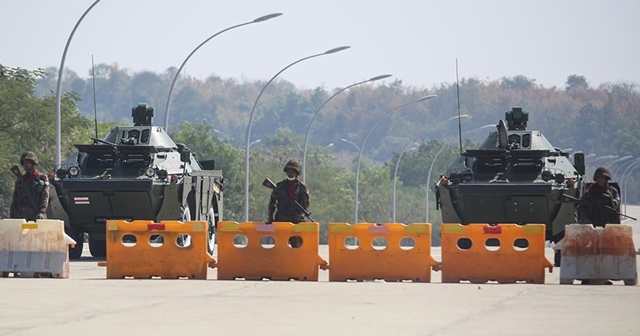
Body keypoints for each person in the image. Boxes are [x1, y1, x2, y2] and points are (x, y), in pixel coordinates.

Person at [267, 160, 310, 248]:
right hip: (281, 219)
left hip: (295, 220)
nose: (290, 173)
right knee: (280, 246)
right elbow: (272, 203)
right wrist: (270, 217)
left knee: (297, 246)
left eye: (293, 171)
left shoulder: (302, 188)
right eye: (288, 171)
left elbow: (305, 204)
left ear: (297, 173)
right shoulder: (280, 186)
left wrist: (301, 215)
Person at [9, 151, 50, 221]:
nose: (26, 164)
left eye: (28, 162)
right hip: (21, 215)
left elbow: (45, 197)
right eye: (24, 163)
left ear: (33, 163)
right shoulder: (20, 181)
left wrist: (42, 212)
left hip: (36, 214)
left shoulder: (42, 179)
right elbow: (15, 198)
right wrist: (12, 214)